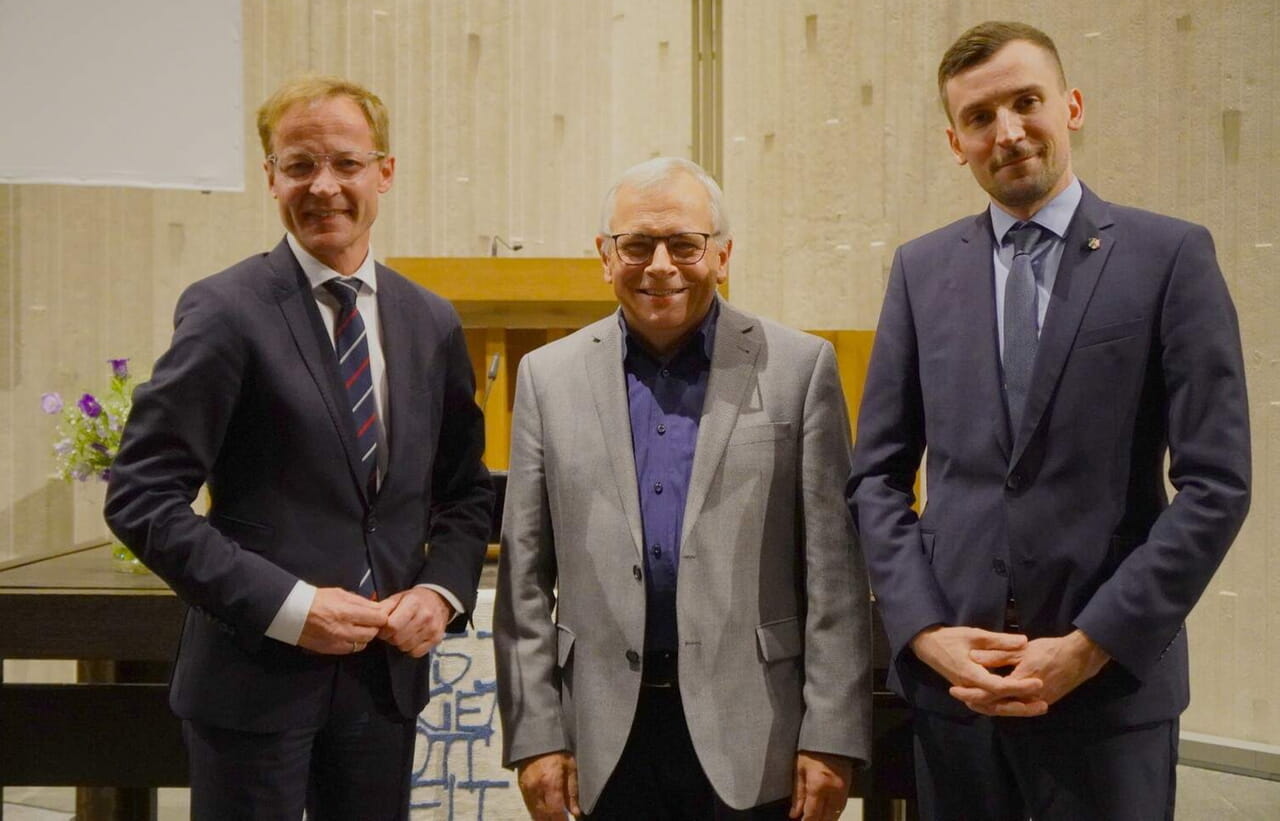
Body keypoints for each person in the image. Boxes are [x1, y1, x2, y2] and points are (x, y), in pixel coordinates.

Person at [848, 21, 1251, 820]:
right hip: (955, 691)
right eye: (978, 117)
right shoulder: (921, 271)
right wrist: (926, 631)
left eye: (1026, 101)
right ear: (954, 142)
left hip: (1110, 689)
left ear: (1070, 105)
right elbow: (877, 478)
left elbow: (1216, 484)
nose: (1008, 131)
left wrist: (1093, 640)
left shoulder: (1169, 257)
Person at [104, 76, 493, 819]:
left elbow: (464, 491)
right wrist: (289, 605)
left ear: (385, 171)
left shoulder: (430, 321)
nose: (324, 187)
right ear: (270, 177)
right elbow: (141, 497)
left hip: (383, 691)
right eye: (299, 165)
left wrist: (440, 591)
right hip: (253, 687)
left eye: (346, 163)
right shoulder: (227, 311)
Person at [494, 157, 871, 820]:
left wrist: (832, 734)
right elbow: (524, 578)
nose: (660, 264)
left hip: (759, 732)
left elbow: (835, 574)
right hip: (601, 737)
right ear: (605, 256)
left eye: (685, 244)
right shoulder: (545, 380)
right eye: (637, 244)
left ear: (722, 254)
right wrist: (536, 736)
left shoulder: (799, 369)